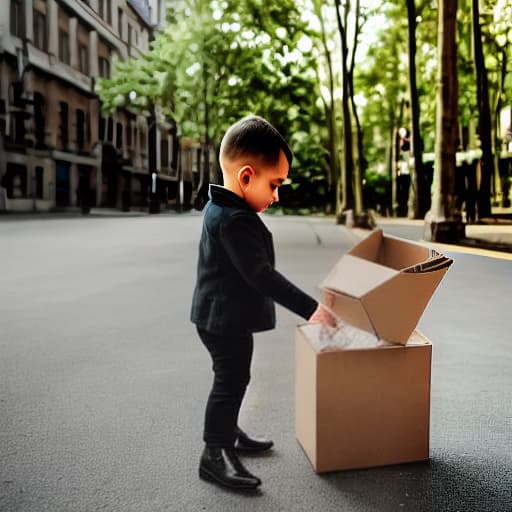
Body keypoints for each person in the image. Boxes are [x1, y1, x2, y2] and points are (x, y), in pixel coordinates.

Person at [190, 115, 336, 492]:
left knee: (235, 376)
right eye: (274, 185)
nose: (276, 195)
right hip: (222, 320)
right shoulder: (232, 220)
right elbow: (261, 275)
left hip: (222, 316)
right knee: (231, 379)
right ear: (246, 177)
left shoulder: (224, 208)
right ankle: (214, 452)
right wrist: (312, 309)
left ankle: (227, 430)